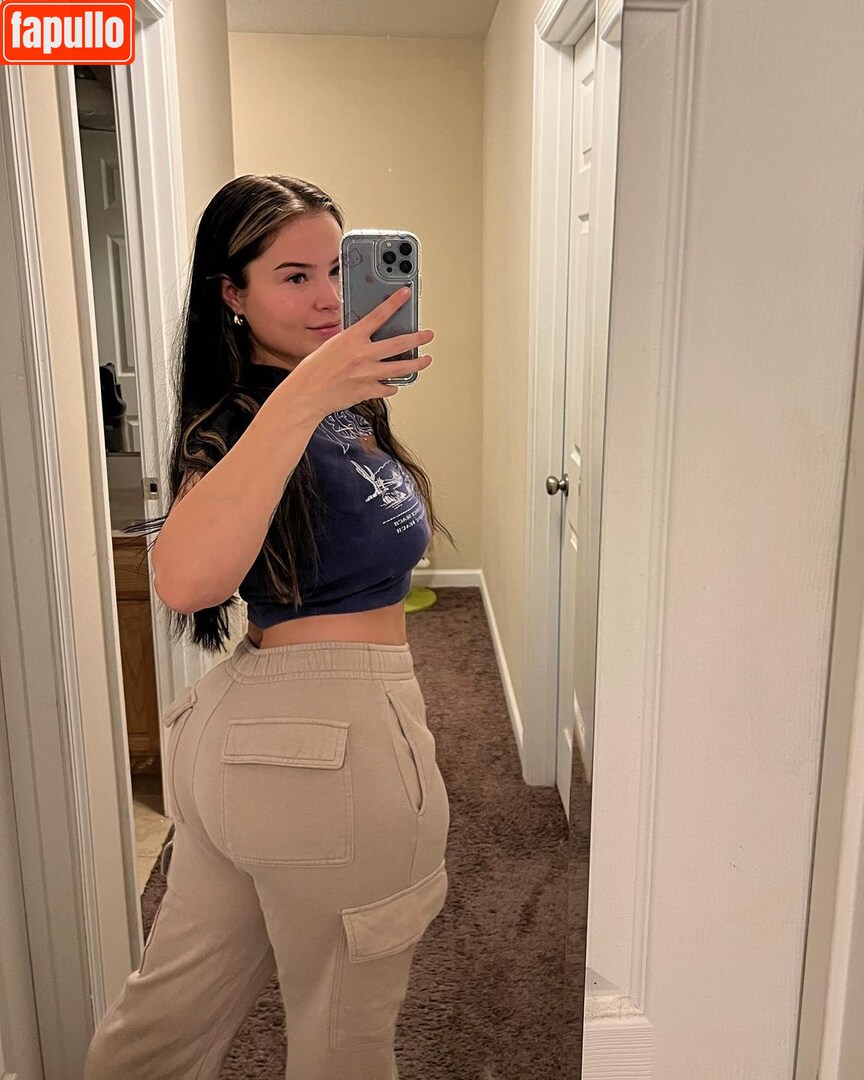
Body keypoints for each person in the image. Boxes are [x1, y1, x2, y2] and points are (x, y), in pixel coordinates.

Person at [83, 174, 454, 1080]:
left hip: (261, 739)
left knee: (166, 1024)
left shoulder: (342, 403)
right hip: (327, 748)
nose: (328, 297)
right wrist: (305, 397)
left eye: (337, 269)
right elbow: (183, 580)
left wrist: (326, 392)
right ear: (233, 294)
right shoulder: (244, 417)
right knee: (345, 1042)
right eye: (294, 276)